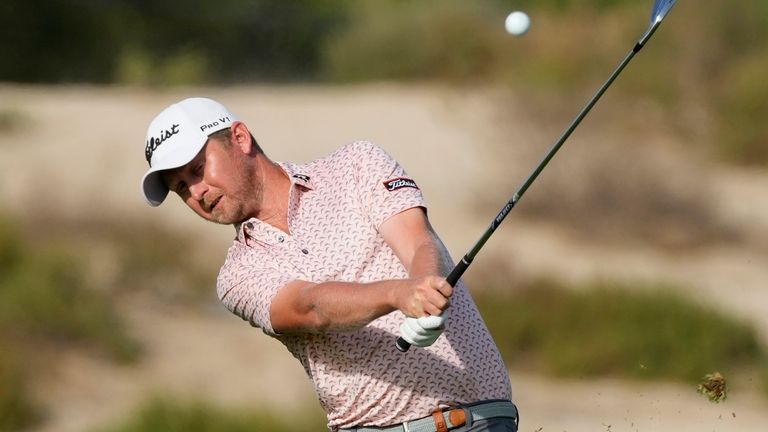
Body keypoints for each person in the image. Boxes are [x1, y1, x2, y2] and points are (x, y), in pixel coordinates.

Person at [140, 97, 517, 432]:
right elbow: (309, 306)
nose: (197, 192)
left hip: (482, 419)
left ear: (240, 138)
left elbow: (418, 239)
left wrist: (426, 288)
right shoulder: (237, 276)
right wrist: (400, 294)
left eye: (197, 169)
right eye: (181, 188)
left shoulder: (356, 164)